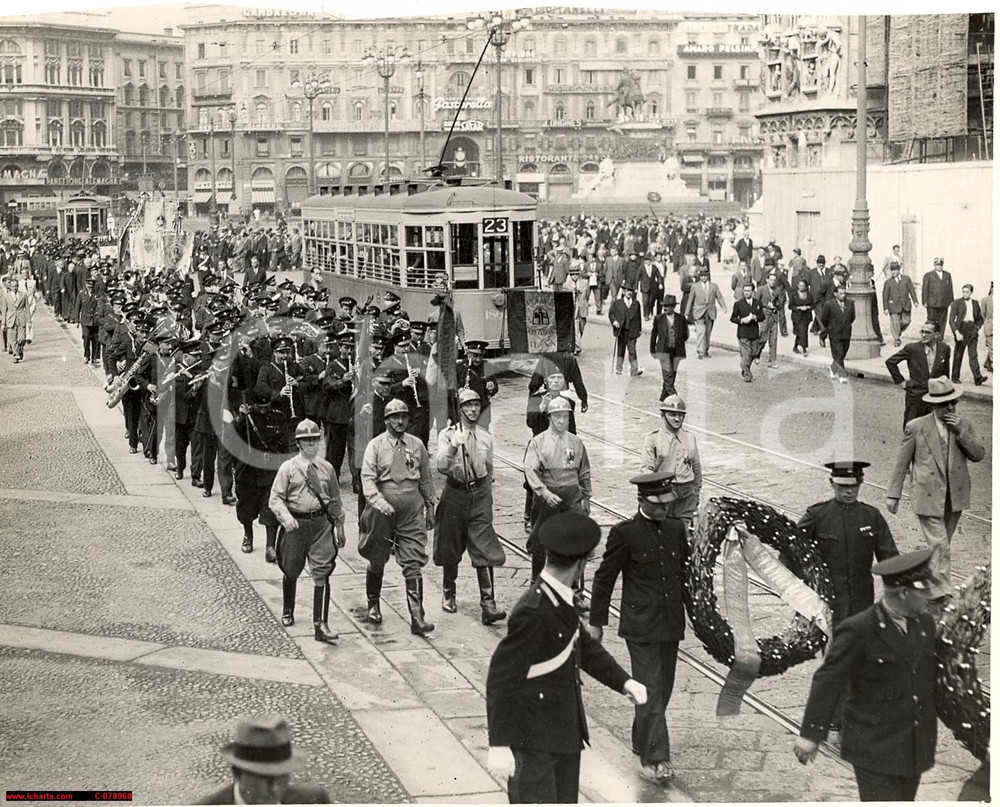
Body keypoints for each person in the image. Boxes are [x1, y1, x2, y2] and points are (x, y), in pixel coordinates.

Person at [486, 512, 648, 804]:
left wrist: (624, 681)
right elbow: (501, 677)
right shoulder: (533, 609)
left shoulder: (559, 597)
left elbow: (584, 647)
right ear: (581, 564)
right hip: (533, 742)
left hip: (563, 734)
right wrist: (498, 743)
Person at [793, 549, 938, 801]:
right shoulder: (860, 628)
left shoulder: (925, 623)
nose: (929, 595)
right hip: (874, 746)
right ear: (903, 592)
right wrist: (811, 734)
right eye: (923, 590)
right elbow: (828, 679)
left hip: (913, 744)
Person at [589, 472, 686, 784]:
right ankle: (656, 758)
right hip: (640, 626)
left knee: (664, 689)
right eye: (659, 505)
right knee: (651, 689)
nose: (665, 510)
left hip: (670, 624)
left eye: (668, 504)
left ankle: (640, 735)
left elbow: (683, 575)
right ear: (642, 500)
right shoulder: (625, 533)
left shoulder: (676, 528)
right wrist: (597, 623)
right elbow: (604, 578)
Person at [886, 378, 985, 604]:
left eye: (953, 403)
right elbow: (902, 462)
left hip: (954, 496)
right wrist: (894, 494)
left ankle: (925, 583)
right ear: (932, 406)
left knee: (940, 546)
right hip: (927, 495)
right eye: (944, 405)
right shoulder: (916, 427)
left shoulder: (964, 424)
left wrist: (961, 431)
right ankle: (942, 594)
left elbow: (978, 455)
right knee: (940, 545)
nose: (950, 408)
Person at [359, 398, 437, 635]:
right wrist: (379, 502)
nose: (401, 420)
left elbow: (425, 478)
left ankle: (417, 617)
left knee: (413, 558)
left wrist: (430, 506)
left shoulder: (416, 444)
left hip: (411, 507)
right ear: (386, 420)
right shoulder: (375, 445)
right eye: (395, 417)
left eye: (404, 416)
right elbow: (367, 479)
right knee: (377, 555)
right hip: (381, 508)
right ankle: (373, 603)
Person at [269, 419, 346, 644]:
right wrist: (286, 518)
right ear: (299, 443)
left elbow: (334, 500)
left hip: (321, 525)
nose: (312, 444)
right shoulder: (288, 468)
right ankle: (288, 608)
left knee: (322, 571)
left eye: (315, 439)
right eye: (307, 441)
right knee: (291, 568)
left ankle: (320, 624)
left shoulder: (327, 468)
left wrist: (339, 526)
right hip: (296, 525)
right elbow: (275, 498)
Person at [433, 388, 506, 624]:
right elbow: (441, 466)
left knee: (484, 545)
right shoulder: (447, 434)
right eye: (468, 405)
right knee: (450, 544)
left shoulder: (485, 436)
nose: (473, 409)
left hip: (480, 493)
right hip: (455, 493)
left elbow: (490, 469)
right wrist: (454, 445)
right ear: (460, 409)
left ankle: (488, 604)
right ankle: (449, 592)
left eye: (476, 405)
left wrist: (488, 496)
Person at [798, 462, 898, 625]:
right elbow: (791, 548)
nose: (849, 491)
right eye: (843, 487)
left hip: (861, 601)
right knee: (832, 647)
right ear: (832, 483)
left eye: (854, 486)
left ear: (860, 483)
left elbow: (890, 558)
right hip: (828, 600)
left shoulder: (871, 516)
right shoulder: (817, 515)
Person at [523, 396, 591, 583]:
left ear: (570, 418)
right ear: (550, 418)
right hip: (547, 497)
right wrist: (544, 492)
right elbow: (530, 470)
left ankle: (577, 590)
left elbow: (584, 471)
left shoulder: (576, 442)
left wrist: (586, 498)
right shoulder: (538, 442)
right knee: (540, 541)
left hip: (571, 497)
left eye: (565, 417)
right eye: (557, 417)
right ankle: (536, 583)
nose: (561, 421)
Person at [199, 714, 330, 804]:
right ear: (237, 773)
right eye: (263, 779)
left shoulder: (314, 800)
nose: (274, 789)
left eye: (281, 778)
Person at [639, 396, 701, 527]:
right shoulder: (653, 439)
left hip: (686, 493)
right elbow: (646, 469)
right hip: (664, 492)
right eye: (672, 415)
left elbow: (696, 466)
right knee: (661, 529)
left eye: (681, 415)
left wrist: (696, 491)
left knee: (683, 533)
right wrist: (653, 495)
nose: (677, 419)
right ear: (663, 415)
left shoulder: (690, 437)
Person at [885, 321, 951, 428]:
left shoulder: (944, 349)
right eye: (922, 332)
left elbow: (945, 373)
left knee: (933, 428)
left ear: (937, 334)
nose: (924, 335)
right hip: (916, 395)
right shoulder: (912, 348)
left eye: (928, 332)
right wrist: (901, 382)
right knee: (911, 426)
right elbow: (890, 362)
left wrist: (946, 393)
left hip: (935, 396)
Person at [649, 294, 688, 401]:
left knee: (672, 375)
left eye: (668, 306)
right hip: (663, 351)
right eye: (664, 306)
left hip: (677, 351)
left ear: (673, 307)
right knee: (668, 376)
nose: (665, 308)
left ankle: (663, 397)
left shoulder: (681, 318)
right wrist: (653, 350)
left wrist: (678, 342)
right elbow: (653, 335)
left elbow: (685, 334)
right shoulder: (658, 319)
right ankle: (675, 400)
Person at [948, 283, 988, 386]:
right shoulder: (956, 303)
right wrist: (956, 332)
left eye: (967, 292)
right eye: (963, 292)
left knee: (973, 354)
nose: (965, 294)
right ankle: (955, 377)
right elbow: (951, 320)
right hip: (961, 329)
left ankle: (977, 378)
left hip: (972, 329)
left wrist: (977, 327)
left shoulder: (975, 303)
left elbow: (980, 318)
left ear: (971, 293)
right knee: (958, 354)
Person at [684, 267, 726, 360]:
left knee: (707, 332)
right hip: (699, 312)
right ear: (699, 276)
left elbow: (719, 297)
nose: (703, 278)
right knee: (701, 332)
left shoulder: (714, 286)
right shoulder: (695, 286)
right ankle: (700, 351)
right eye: (702, 276)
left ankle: (705, 349)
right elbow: (690, 300)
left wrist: (723, 307)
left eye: (705, 275)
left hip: (710, 312)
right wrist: (686, 313)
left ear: (708, 275)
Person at [818, 285, 855, 383]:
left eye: (844, 293)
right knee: (839, 353)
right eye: (841, 293)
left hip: (846, 332)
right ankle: (842, 375)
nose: (843, 295)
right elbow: (824, 319)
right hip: (834, 333)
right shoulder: (829, 304)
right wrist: (830, 327)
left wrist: (845, 324)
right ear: (835, 294)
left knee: (843, 353)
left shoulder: (850, 303)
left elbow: (852, 317)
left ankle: (832, 368)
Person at [730, 282, 764, 382]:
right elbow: (732, 318)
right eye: (745, 291)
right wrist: (741, 320)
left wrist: (755, 318)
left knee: (754, 353)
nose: (746, 293)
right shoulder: (738, 304)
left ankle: (744, 365)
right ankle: (747, 374)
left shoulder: (758, 303)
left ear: (753, 292)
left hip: (754, 332)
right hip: (743, 332)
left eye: (748, 291)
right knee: (746, 354)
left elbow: (762, 316)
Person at [608, 285, 643, 377]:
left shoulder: (636, 303)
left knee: (632, 350)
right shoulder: (617, 303)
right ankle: (619, 368)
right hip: (622, 330)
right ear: (623, 292)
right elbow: (611, 314)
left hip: (632, 330)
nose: (629, 292)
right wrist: (614, 322)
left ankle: (634, 369)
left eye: (631, 290)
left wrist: (639, 329)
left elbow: (639, 318)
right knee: (621, 349)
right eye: (627, 290)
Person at [882, 262, 919, 347]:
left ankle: (897, 331)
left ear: (899, 270)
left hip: (905, 304)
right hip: (893, 305)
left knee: (907, 321)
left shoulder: (906, 279)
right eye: (892, 270)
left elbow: (911, 290)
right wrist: (885, 308)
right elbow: (885, 296)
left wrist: (915, 301)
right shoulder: (888, 282)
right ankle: (896, 339)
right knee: (895, 323)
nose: (893, 272)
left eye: (895, 270)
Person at [754, 271, 786, 369]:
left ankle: (772, 361)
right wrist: (764, 306)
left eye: (774, 280)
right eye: (771, 280)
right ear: (767, 280)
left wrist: (776, 307)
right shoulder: (761, 289)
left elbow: (781, 303)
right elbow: (755, 302)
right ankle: (757, 353)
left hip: (774, 317)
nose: (772, 282)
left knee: (773, 339)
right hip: (764, 316)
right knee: (763, 337)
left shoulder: (778, 290)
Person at [920, 257, 954, 337]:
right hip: (932, 303)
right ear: (934, 265)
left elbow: (950, 288)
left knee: (942, 321)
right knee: (931, 321)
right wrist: (924, 301)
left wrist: (951, 300)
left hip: (944, 302)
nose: (939, 266)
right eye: (937, 264)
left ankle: (939, 338)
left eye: (941, 265)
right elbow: (925, 289)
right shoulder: (928, 275)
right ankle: (930, 337)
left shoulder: (947, 275)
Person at [789, 277, 815, 355]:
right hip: (797, 316)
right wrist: (798, 308)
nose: (801, 287)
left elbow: (813, 305)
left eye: (803, 286)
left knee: (802, 332)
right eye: (800, 286)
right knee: (802, 332)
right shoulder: (794, 295)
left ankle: (795, 347)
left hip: (806, 316)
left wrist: (808, 307)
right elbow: (790, 306)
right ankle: (804, 349)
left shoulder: (809, 294)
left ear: (806, 287)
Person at [982, 281, 993, 373]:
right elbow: (983, 314)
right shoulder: (986, 300)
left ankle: (988, 363)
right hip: (990, 325)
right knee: (992, 346)